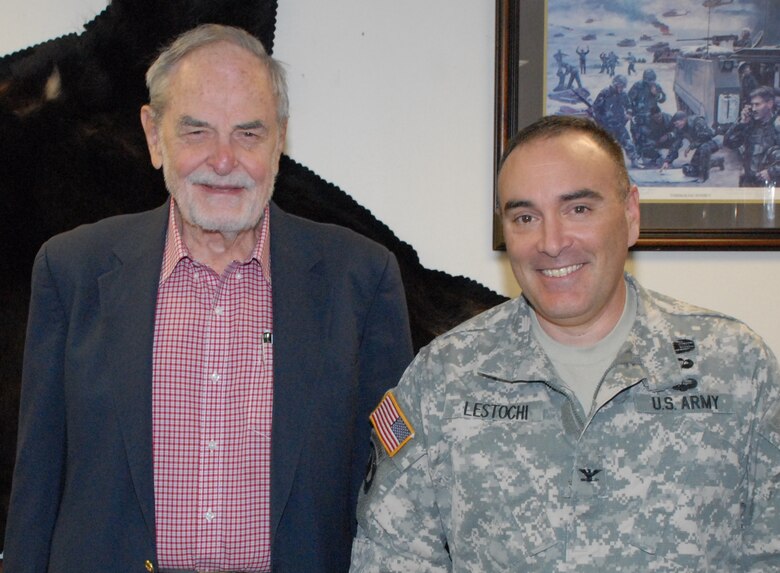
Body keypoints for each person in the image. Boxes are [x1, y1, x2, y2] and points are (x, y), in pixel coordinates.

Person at [4, 24, 414, 573]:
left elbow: (394, 492)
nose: (223, 161)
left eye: (248, 134)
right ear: (153, 135)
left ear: (280, 140)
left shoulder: (360, 279)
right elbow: (36, 481)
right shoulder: (73, 271)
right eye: (196, 132)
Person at [349, 115, 780, 572]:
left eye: (579, 209)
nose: (551, 243)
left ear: (631, 215)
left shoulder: (734, 366)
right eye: (525, 217)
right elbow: (391, 557)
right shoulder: (443, 378)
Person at [724, 85, 780, 186]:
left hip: (771, 184)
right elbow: (729, 143)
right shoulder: (749, 124)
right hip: (749, 182)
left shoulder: (777, 125)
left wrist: (772, 172)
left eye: (757, 104)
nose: (753, 109)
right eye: (752, 105)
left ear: (770, 104)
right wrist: (742, 123)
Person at [592, 75, 641, 167]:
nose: (621, 88)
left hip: (619, 124)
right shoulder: (605, 93)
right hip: (606, 125)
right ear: (615, 84)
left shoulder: (624, 94)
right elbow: (595, 109)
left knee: (628, 142)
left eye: (623, 86)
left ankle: (634, 161)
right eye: (620, 86)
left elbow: (629, 106)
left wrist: (629, 114)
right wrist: (602, 119)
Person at [661, 111, 721, 183]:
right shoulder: (680, 128)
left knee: (704, 148)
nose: (676, 126)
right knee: (689, 170)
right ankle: (717, 162)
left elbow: (705, 137)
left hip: (713, 142)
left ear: (683, 120)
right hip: (700, 146)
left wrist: (690, 147)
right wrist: (667, 161)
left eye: (677, 123)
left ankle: (703, 176)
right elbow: (675, 144)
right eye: (675, 125)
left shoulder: (698, 121)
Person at [628, 69, 666, 155]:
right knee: (637, 135)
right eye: (649, 80)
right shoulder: (637, 86)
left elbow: (663, 99)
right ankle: (638, 154)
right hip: (638, 115)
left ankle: (652, 153)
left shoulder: (657, 86)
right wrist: (630, 112)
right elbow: (628, 99)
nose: (651, 82)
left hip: (651, 116)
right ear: (645, 79)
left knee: (652, 135)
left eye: (652, 80)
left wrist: (656, 94)